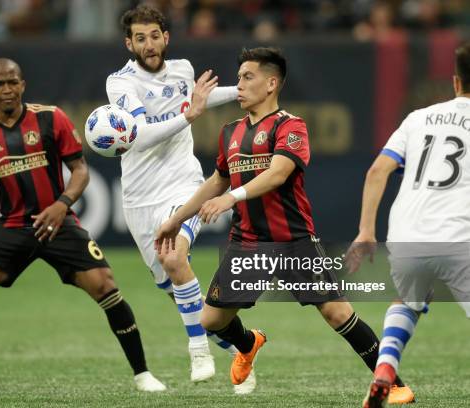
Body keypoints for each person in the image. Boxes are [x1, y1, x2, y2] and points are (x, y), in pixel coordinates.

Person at [155, 46, 415, 404]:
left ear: (271, 83)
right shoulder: (230, 131)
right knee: (211, 320)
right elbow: (216, 181)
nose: (240, 85)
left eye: (248, 77)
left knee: (337, 311)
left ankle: (394, 383)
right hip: (247, 242)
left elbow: (278, 174)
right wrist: (174, 220)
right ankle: (249, 344)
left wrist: (233, 197)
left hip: (293, 240)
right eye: (240, 77)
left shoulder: (290, 126)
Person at [0, 58, 165, 393]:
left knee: (104, 284)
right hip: (12, 227)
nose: (7, 89)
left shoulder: (50, 118)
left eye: (13, 82)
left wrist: (61, 205)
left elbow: (81, 171)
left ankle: (142, 373)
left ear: (23, 84)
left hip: (58, 222)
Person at [105, 4, 249, 391]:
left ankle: (198, 349)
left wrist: (241, 91)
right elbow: (139, 134)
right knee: (184, 296)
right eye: (140, 38)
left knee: (174, 257)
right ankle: (246, 347)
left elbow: (200, 97)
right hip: (139, 198)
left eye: (155, 36)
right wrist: (189, 114)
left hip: (183, 185)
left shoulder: (183, 69)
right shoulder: (120, 83)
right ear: (129, 43)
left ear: (166, 37)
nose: (149, 44)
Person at [348, 42, 470, 408]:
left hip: (405, 234)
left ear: (455, 81)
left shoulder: (418, 118)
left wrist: (366, 231)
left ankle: (385, 369)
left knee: (408, 301)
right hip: (459, 235)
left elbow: (377, 171)